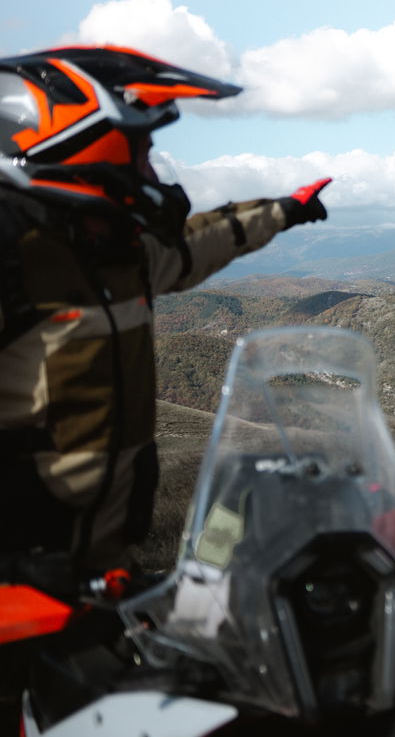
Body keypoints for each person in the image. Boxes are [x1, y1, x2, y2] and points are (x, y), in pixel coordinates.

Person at [0, 45, 333, 586]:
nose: (151, 169)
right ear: (83, 147)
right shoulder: (16, 254)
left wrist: (285, 210)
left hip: (102, 573)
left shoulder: (113, 254)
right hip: (19, 591)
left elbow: (198, 244)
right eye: (141, 151)